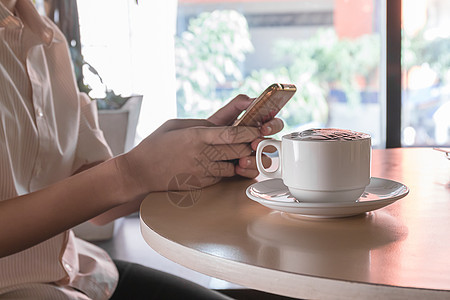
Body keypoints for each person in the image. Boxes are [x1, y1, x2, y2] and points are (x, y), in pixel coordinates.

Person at [0, 0, 283, 299]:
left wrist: (201, 164)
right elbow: (120, 179)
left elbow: (98, 204)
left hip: (80, 274)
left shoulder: (43, 34)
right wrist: (132, 172)